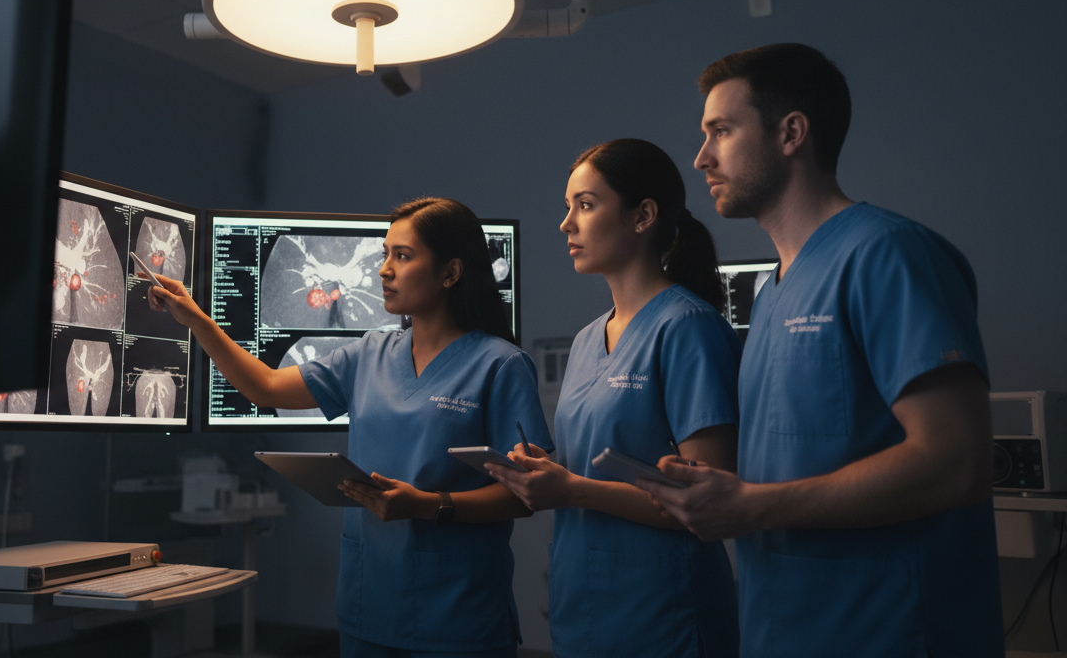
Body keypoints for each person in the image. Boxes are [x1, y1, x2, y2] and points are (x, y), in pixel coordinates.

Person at [639, 43, 1001, 656]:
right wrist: (714, 491)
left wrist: (753, 506)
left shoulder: (887, 254)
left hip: (888, 631)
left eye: (721, 131)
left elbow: (956, 461)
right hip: (784, 626)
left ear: (791, 133)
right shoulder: (773, 289)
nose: (701, 157)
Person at [145, 197, 553, 658]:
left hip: (457, 613)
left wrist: (429, 505)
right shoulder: (370, 353)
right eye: (385, 254)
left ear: (450, 272)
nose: (384, 269)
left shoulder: (501, 366)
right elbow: (268, 388)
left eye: (402, 255)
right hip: (369, 606)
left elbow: (526, 493)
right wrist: (196, 319)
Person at [486, 139, 741, 658]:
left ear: (642, 215)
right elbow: (586, 469)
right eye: (567, 207)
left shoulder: (688, 327)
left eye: (585, 204)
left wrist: (574, 489)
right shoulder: (586, 340)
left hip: (664, 615)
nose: (566, 224)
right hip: (584, 609)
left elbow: (709, 500)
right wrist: (543, 473)